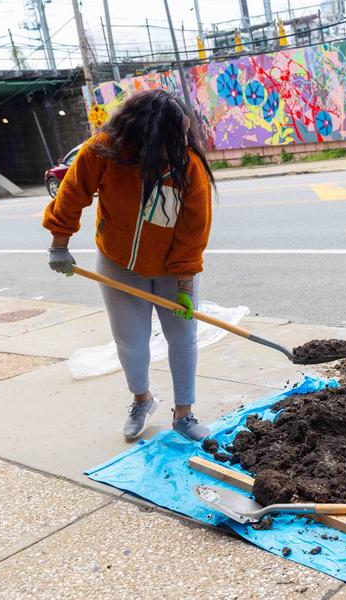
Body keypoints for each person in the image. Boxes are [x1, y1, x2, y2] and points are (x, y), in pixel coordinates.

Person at [42, 89, 216, 442]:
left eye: (185, 132)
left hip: (172, 268)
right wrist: (59, 244)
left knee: (182, 337)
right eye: (174, 135)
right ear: (147, 133)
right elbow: (71, 193)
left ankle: (184, 413)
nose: (183, 141)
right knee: (132, 342)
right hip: (119, 264)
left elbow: (193, 230)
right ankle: (142, 400)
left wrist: (184, 286)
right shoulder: (103, 152)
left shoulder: (188, 167)